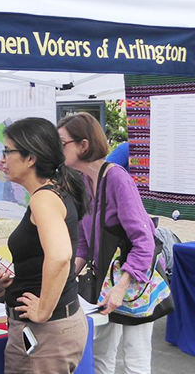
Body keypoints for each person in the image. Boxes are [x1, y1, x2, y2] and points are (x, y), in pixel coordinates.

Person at [57, 112, 156, 374]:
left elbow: (144, 240)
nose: (58, 150)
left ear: (83, 145)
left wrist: (122, 286)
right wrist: (64, 277)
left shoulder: (116, 178)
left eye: (62, 143)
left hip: (133, 280)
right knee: (101, 353)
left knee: (134, 358)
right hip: (105, 281)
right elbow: (84, 245)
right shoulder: (81, 182)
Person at [0, 117, 89, 374]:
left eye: (7, 151)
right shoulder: (50, 193)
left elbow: (60, 256)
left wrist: (44, 310)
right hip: (48, 331)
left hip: (45, 333)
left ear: (30, 158)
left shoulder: (44, 198)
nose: (2, 159)